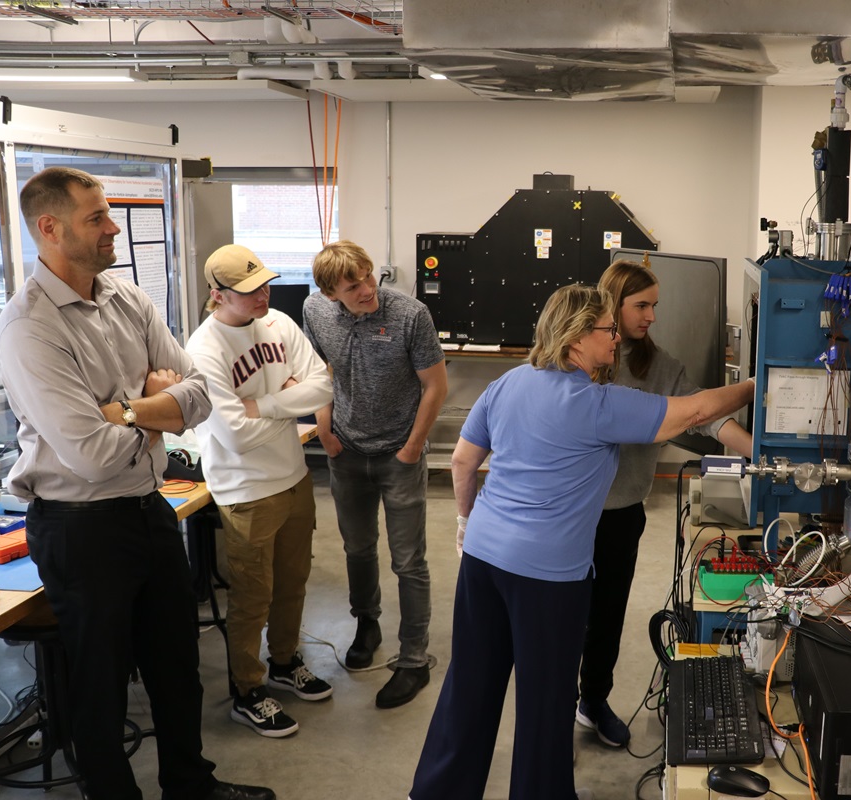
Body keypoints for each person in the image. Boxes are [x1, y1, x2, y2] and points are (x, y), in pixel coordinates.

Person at [408, 284, 754, 800]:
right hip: (547, 579)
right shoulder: (594, 403)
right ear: (575, 338)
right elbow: (695, 412)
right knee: (545, 706)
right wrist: (755, 383)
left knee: (469, 688)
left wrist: (466, 523)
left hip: (482, 559)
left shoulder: (508, 383)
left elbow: (462, 461)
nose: (616, 339)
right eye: (607, 330)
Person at [0, 166, 273, 800]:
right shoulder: (30, 327)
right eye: (96, 217)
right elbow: (91, 457)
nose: (113, 226)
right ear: (49, 227)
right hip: (80, 527)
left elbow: (199, 394)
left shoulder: (127, 298)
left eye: (108, 213)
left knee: (176, 671)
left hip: (148, 511)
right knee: (97, 685)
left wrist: (127, 411)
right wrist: (156, 409)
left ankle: (188, 785)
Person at [575, 259, 754, 747]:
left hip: (622, 514)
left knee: (608, 616)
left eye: (655, 305)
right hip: (570, 517)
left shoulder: (659, 366)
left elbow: (706, 417)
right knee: (567, 619)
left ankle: (592, 701)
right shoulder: (581, 362)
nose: (651, 315)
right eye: (641, 305)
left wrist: (762, 451)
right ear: (612, 303)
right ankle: (551, 722)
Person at [186, 244, 334, 738]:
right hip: (244, 491)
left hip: (293, 479)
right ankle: (248, 691)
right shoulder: (204, 350)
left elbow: (323, 388)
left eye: (265, 284)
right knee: (253, 596)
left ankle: (286, 661)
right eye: (248, 291)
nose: (262, 295)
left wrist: (264, 403)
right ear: (217, 294)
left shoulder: (279, 324)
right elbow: (235, 436)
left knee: (293, 583)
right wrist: (290, 402)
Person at [303, 241, 447, 708]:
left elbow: (435, 386)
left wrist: (410, 449)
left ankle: (413, 658)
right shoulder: (315, 312)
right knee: (357, 548)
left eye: (368, 277)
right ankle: (367, 624)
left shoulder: (410, 315)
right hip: (345, 451)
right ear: (329, 293)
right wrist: (324, 429)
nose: (368, 290)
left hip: (397, 456)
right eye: (353, 285)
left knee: (409, 561)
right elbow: (320, 370)